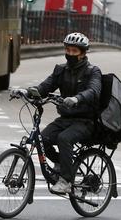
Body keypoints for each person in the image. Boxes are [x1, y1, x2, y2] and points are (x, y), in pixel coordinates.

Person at [30, 32, 102, 193]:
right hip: (65, 118)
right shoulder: (61, 70)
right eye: (68, 50)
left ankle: (66, 181)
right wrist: (27, 92)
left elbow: (94, 90)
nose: (70, 54)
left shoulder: (92, 71)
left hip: (86, 121)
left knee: (64, 139)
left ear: (83, 53)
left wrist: (77, 98)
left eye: (74, 51)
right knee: (42, 139)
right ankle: (62, 163)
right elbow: (45, 87)